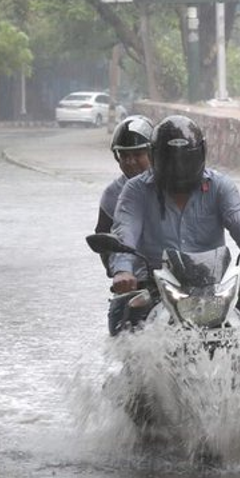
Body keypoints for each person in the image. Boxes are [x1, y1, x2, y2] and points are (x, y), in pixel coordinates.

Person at [109, 115, 240, 330]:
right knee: (121, 314)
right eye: (171, 161)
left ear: (200, 156)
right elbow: (125, 231)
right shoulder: (136, 190)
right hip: (156, 282)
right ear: (155, 157)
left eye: (185, 160)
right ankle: (133, 364)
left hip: (213, 283)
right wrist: (123, 271)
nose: (178, 168)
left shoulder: (220, 186)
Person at [97, 115, 154, 335]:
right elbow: (103, 237)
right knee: (120, 322)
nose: (130, 161)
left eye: (138, 155)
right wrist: (119, 273)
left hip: (180, 275)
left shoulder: (172, 185)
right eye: (124, 155)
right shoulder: (112, 195)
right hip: (138, 281)